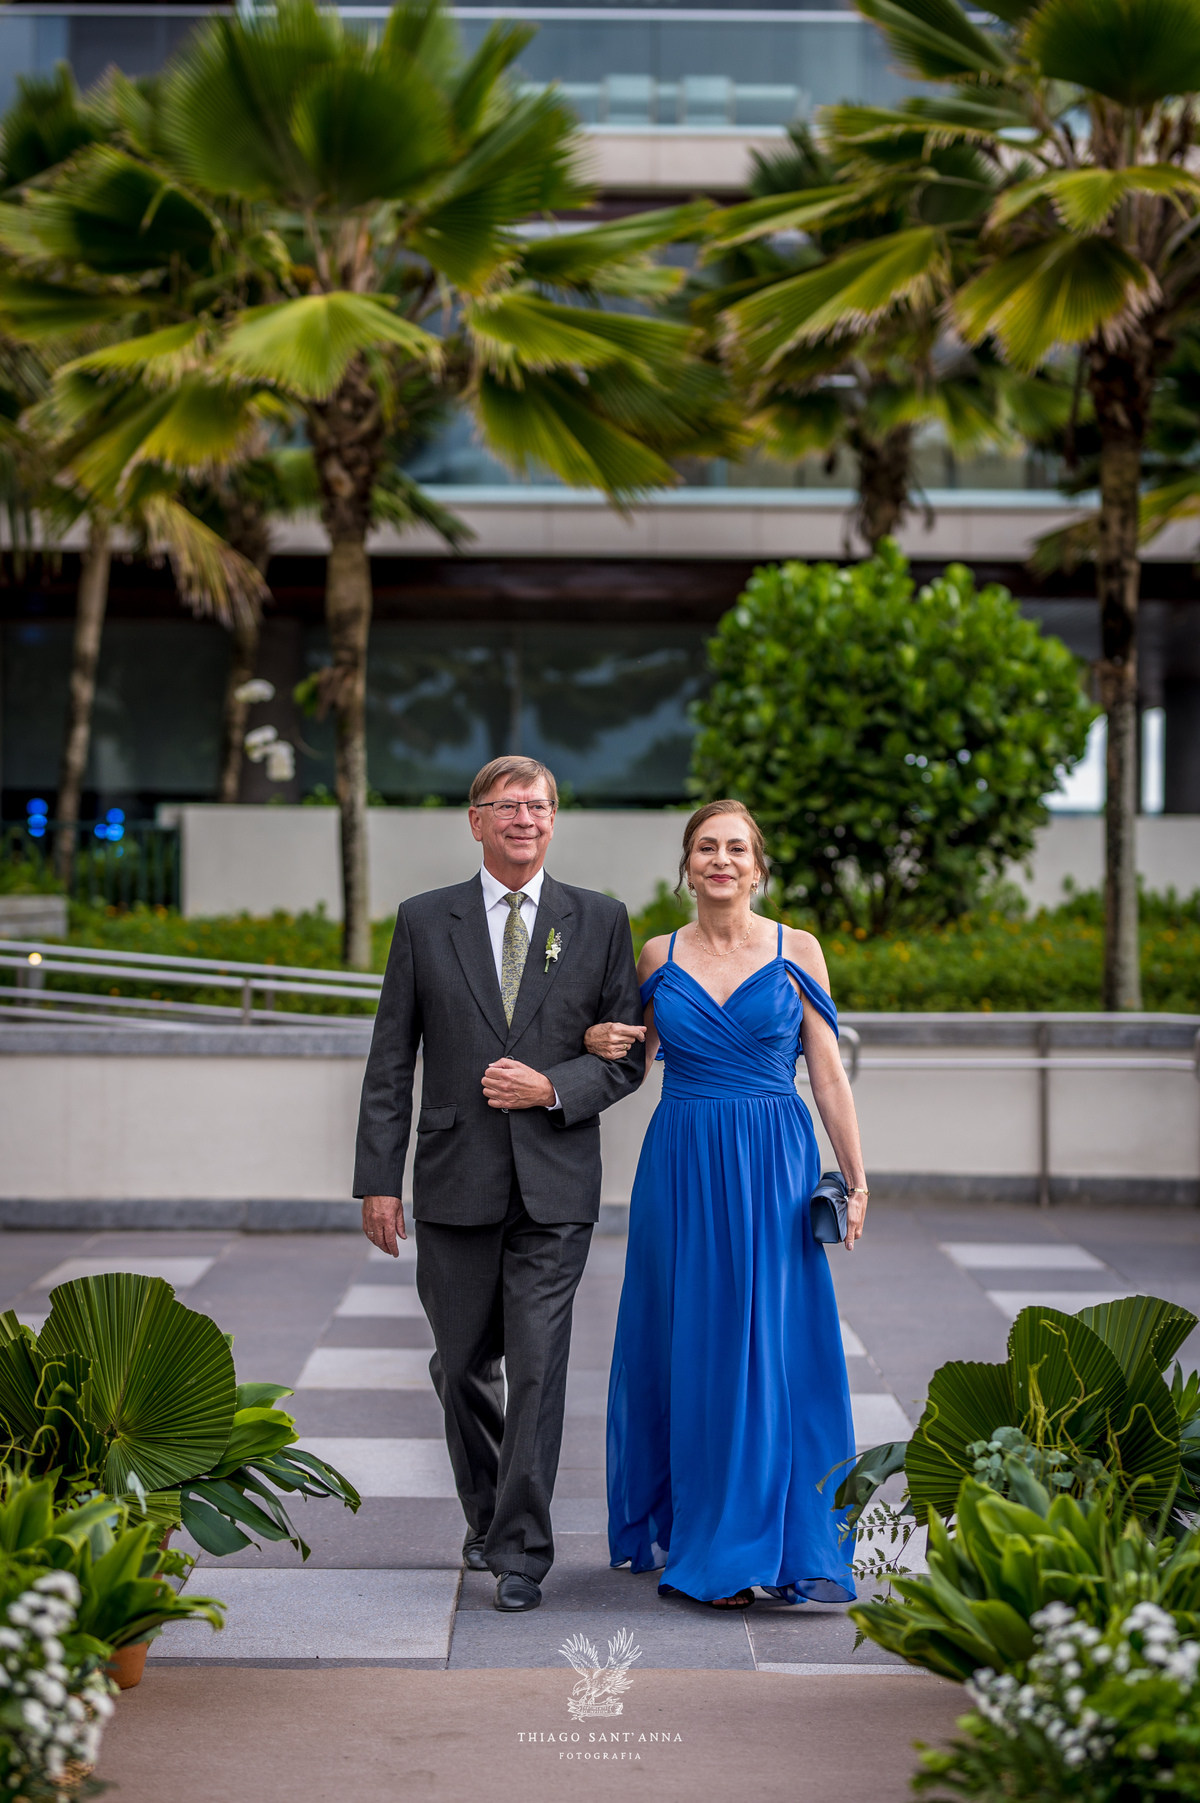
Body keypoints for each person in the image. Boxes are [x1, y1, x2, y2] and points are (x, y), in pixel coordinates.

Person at [354, 756, 643, 1613]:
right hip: (454, 1180)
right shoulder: (422, 920)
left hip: (555, 1186)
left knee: (540, 1365)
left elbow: (629, 1055)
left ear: (555, 820)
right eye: (507, 804)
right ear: (475, 820)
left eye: (539, 805)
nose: (525, 817)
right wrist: (379, 1178)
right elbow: (389, 1060)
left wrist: (554, 1085)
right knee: (463, 1363)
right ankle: (486, 1513)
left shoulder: (598, 920)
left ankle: (521, 1550)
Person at [585, 800, 868, 1609]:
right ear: (688, 863)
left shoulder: (796, 948)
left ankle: (767, 1541)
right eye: (706, 847)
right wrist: (586, 1043)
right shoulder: (656, 954)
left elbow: (828, 1075)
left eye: (736, 848)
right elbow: (630, 1063)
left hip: (774, 1163)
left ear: (758, 864)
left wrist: (855, 1178)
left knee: (770, 1344)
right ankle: (707, 1534)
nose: (721, 860)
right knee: (692, 1346)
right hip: (680, 1163)